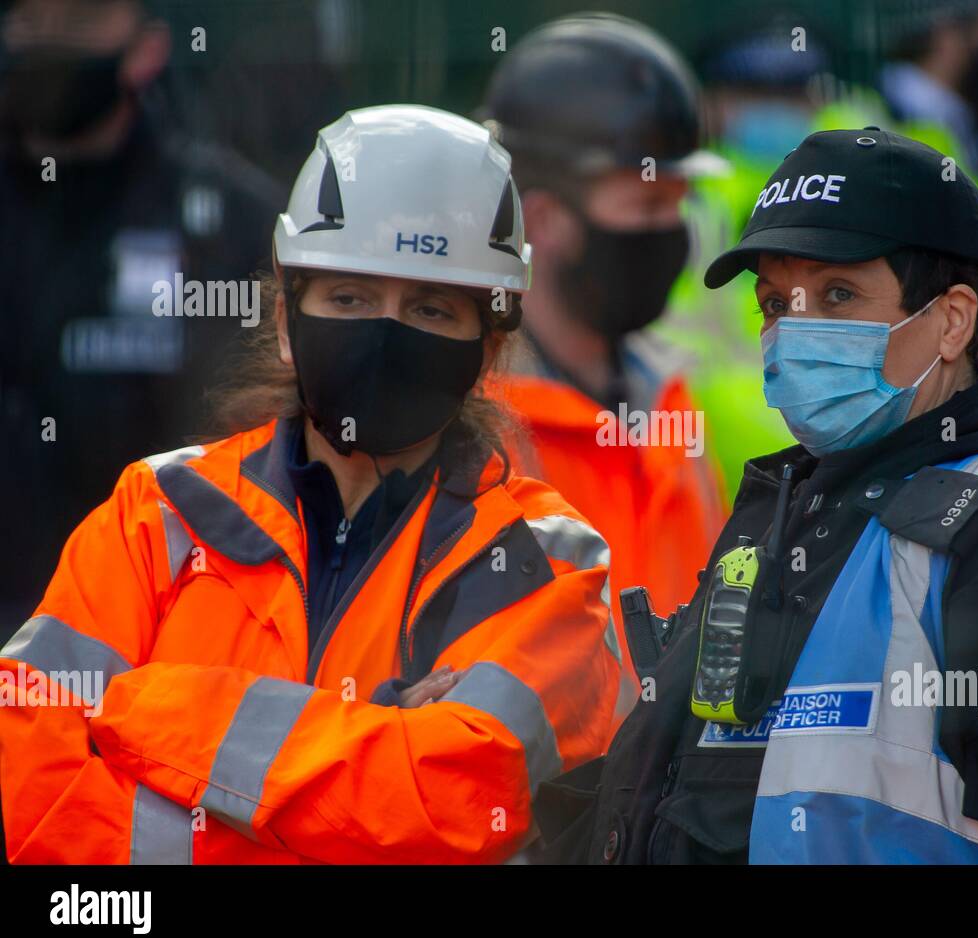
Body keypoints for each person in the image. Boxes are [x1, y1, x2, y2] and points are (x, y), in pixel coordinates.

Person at [535, 126, 978, 864]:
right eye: (775, 303)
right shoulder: (791, 508)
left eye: (839, 294)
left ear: (951, 321)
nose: (794, 331)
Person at [0, 105, 619, 864]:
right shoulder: (157, 512)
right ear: (290, 323)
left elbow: (449, 803)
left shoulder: (544, 565)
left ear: (487, 354)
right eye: (350, 298)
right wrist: (370, 749)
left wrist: (147, 704)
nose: (384, 334)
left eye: (429, 308)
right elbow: (25, 783)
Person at [0, 0, 283, 633]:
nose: (49, 43)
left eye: (77, 22)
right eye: (29, 22)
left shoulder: (229, 225)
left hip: (152, 643)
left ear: (146, 47)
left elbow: (265, 448)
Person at [479, 14, 727, 719]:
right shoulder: (476, 418)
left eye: (678, 206)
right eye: (647, 203)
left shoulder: (670, 403)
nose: (669, 235)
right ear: (546, 219)